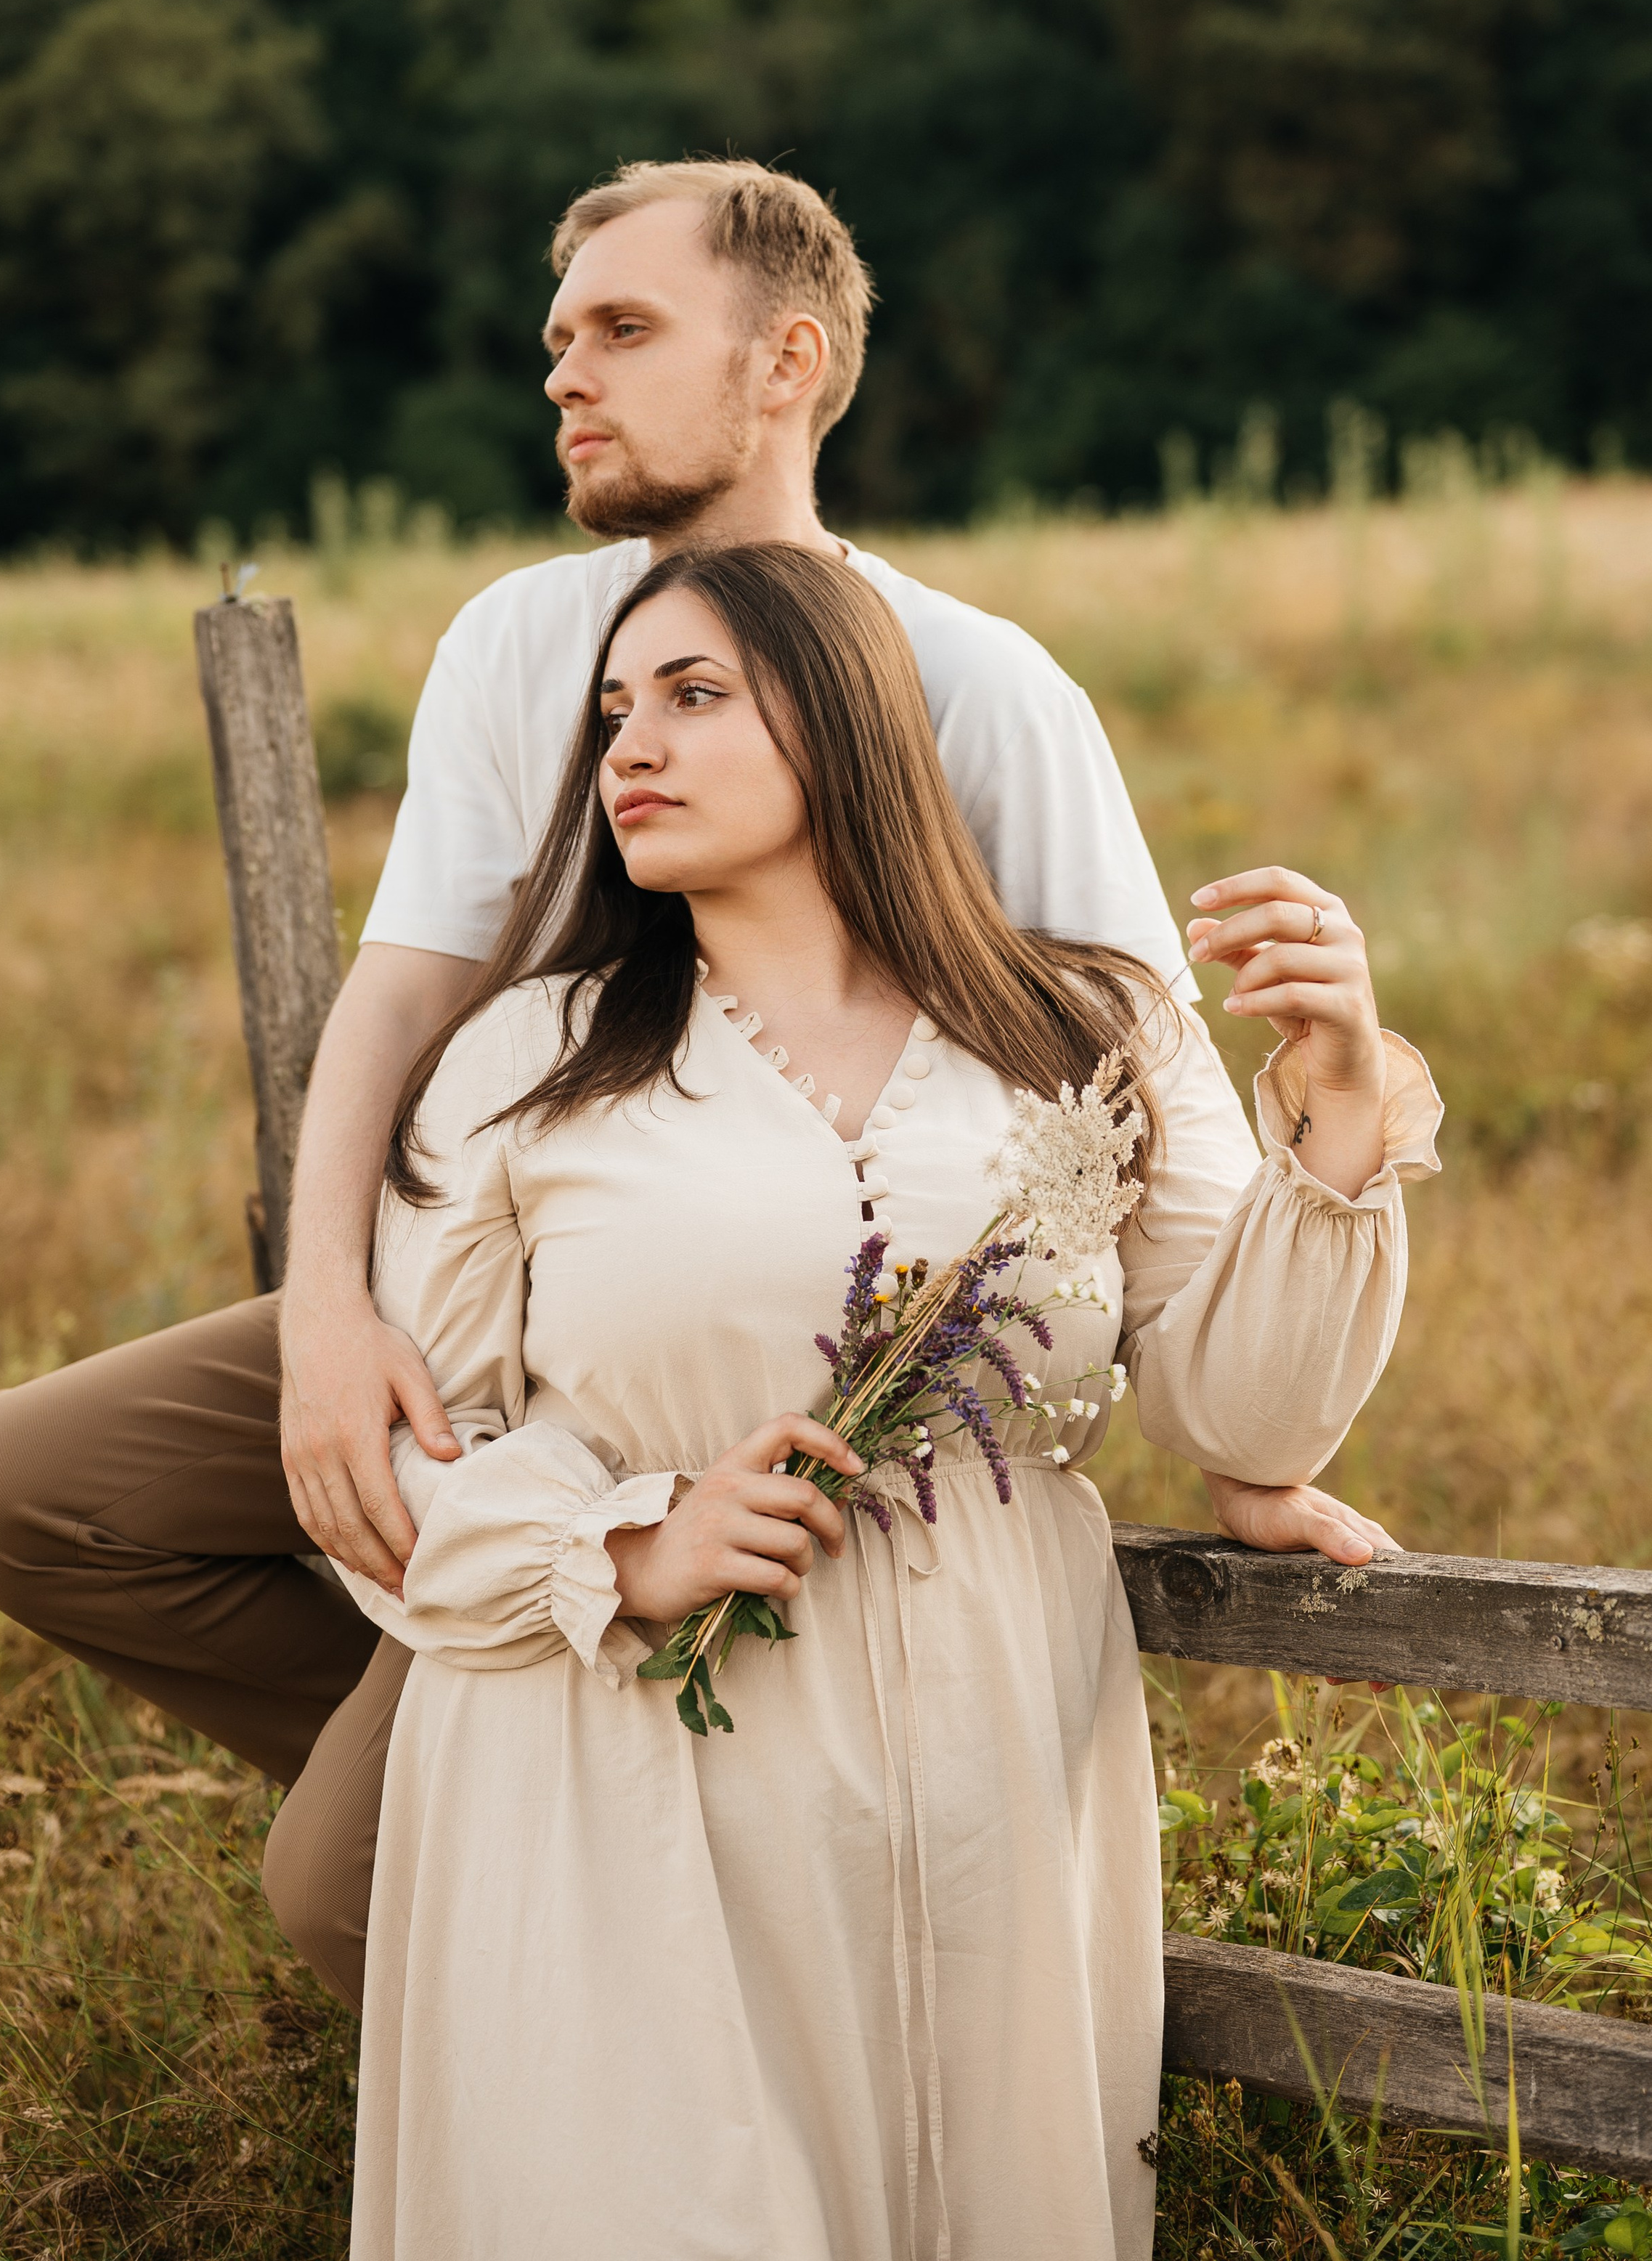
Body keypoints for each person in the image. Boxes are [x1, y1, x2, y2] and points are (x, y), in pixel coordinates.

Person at [0, 158, 1394, 2013]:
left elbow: (1127, 1106)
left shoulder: (976, 684)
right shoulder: (522, 641)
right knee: (31, 1487)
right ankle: (574, 1763)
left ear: (788, 360)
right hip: (513, 1295)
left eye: (623, 330)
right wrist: (325, 1312)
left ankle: (609, 1835)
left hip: (803, 1338)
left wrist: (1248, 1447)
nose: (566, 375)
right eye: (557, 340)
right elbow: (392, 1011)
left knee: (339, 1889)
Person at [326, 538, 1440, 2261]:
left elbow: (1256, 1417)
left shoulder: (1088, 1030)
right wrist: (624, 1544)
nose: (629, 745)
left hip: (1003, 1756)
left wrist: (1345, 1093)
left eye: (693, 696)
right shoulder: (522, 1064)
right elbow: (393, 1480)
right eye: (613, 709)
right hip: (629, 1783)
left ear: (848, 719)